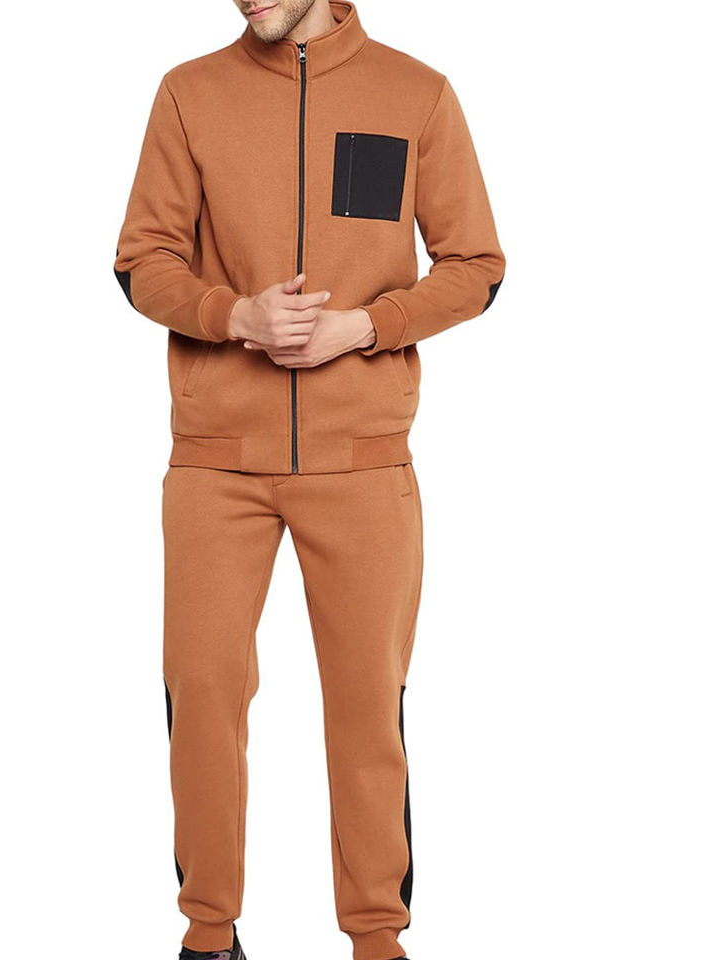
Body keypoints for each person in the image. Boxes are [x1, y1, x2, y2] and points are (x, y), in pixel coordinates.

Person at [112, 2, 505, 958]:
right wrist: (232, 315)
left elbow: (477, 266)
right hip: (215, 461)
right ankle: (209, 934)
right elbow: (140, 261)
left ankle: (376, 939)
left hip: (363, 460)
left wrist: (364, 327)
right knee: (202, 692)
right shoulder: (189, 94)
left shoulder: (415, 94)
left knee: (368, 705)